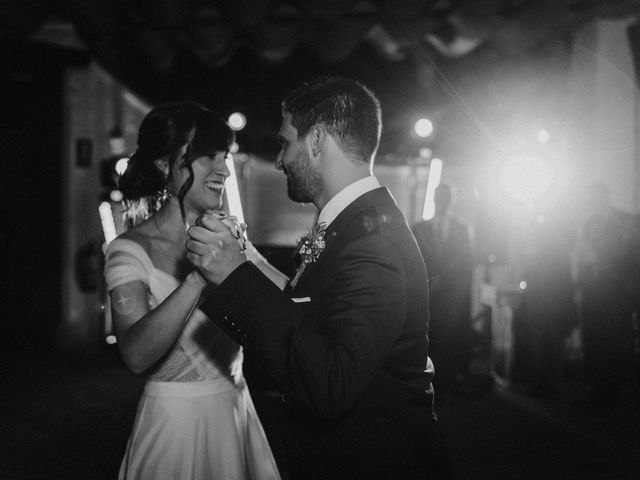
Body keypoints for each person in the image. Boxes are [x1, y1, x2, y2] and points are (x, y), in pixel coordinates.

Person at [186, 77, 455, 480]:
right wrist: (245, 261)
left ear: (316, 141)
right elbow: (310, 312)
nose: (279, 160)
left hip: (376, 464)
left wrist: (235, 276)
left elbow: (331, 383)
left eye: (285, 142)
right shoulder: (351, 225)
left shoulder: (372, 244)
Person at [103, 101, 281, 480]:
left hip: (235, 411)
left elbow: (287, 294)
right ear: (165, 165)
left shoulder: (228, 239)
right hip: (174, 426)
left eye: (224, 156)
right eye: (207, 157)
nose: (223, 170)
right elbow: (135, 354)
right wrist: (199, 279)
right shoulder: (129, 250)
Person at [573, 182, 638, 413]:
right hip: (594, 294)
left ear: (605, 197)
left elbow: (632, 258)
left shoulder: (627, 221)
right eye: (589, 199)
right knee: (596, 342)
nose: (592, 203)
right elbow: (583, 258)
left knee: (617, 343)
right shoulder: (589, 224)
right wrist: (581, 282)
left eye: (595, 198)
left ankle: (617, 393)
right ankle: (602, 392)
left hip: (616, 293)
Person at [411, 184, 473, 390]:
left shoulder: (462, 229)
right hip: (426, 293)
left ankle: (447, 380)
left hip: (450, 295)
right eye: (439, 196)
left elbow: (464, 264)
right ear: (435, 199)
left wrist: (445, 282)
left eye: (446, 197)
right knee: (427, 336)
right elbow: (413, 261)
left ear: (451, 200)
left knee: (449, 336)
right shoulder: (418, 228)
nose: (442, 201)